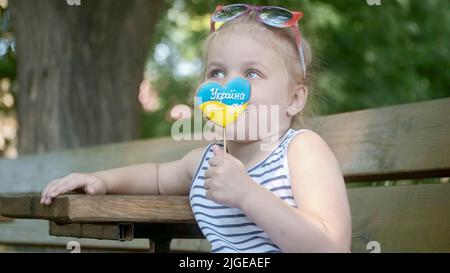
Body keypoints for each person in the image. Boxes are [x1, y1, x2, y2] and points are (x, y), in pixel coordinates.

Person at [41, 4, 351, 253]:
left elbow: (332, 246)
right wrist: (101, 180)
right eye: (216, 72)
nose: (229, 85)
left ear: (294, 99)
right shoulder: (207, 161)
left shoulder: (300, 150)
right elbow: (158, 177)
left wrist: (247, 194)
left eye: (252, 73)